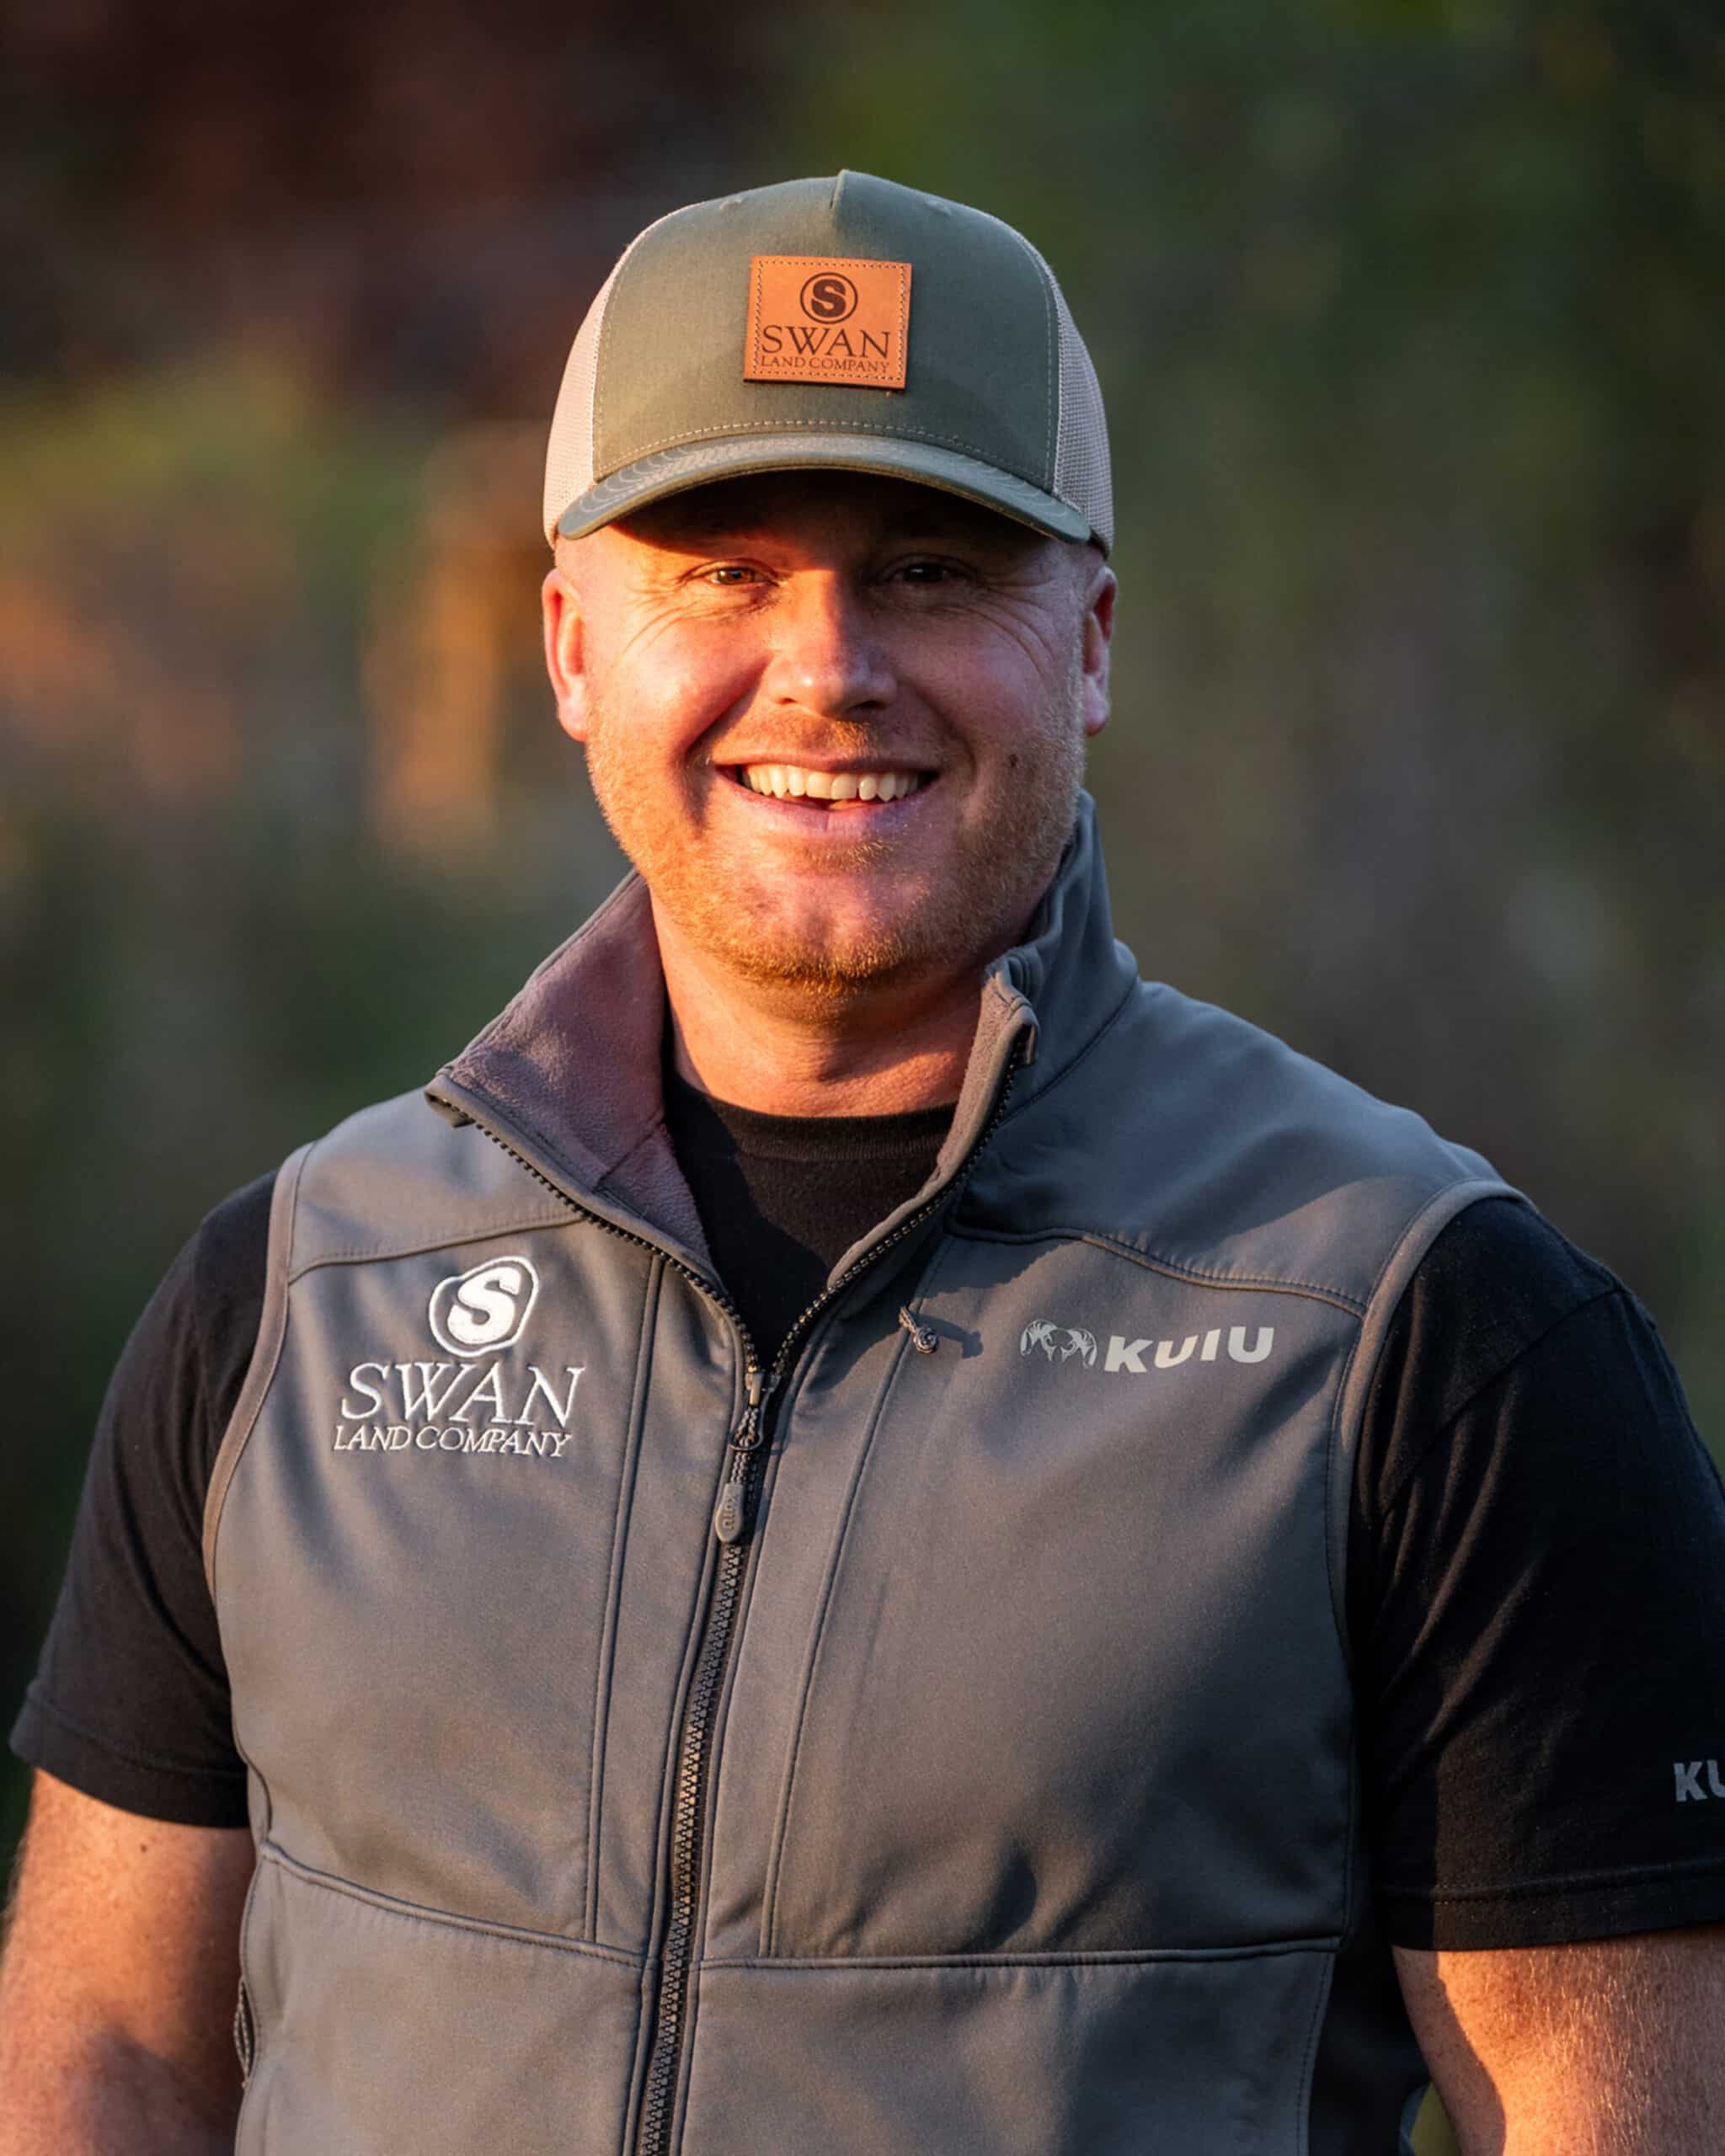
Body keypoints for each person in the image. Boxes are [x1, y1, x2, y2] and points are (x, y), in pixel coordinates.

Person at [3, 170, 1722, 2156]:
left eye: (925, 568)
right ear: (570, 645)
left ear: (1090, 640)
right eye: (721, 572)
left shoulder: (1429, 1327)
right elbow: (105, 2055)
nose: (824, 666)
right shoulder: (296, 1298)